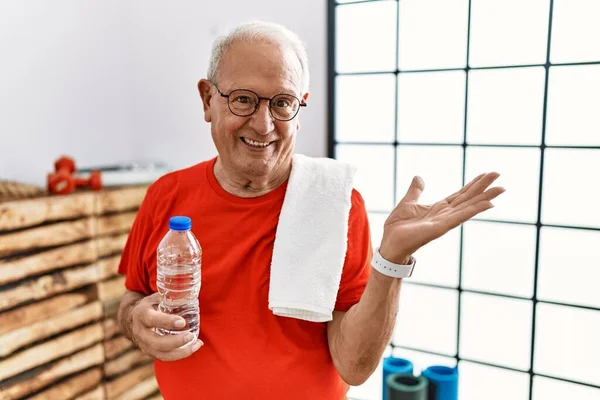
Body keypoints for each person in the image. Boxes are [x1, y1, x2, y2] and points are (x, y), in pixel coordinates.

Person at [116, 21, 504, 399]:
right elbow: (132, 298)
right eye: (244, 99)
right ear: (207, 100)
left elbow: (354, 367)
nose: (264, 124)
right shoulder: (166, 196)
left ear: (300, 110)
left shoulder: (335, 203)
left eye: (282, 103)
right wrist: (135, 322)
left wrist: (393, 258)